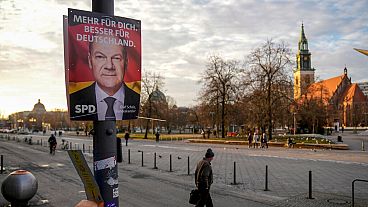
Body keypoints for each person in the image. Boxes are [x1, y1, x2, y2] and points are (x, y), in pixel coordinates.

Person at [70, 34, 140, 121]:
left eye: (116, 58)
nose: (109, 66)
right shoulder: (74, 99)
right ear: (90, 61)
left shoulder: (136, 101)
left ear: (126, 62)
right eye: (100, 57)